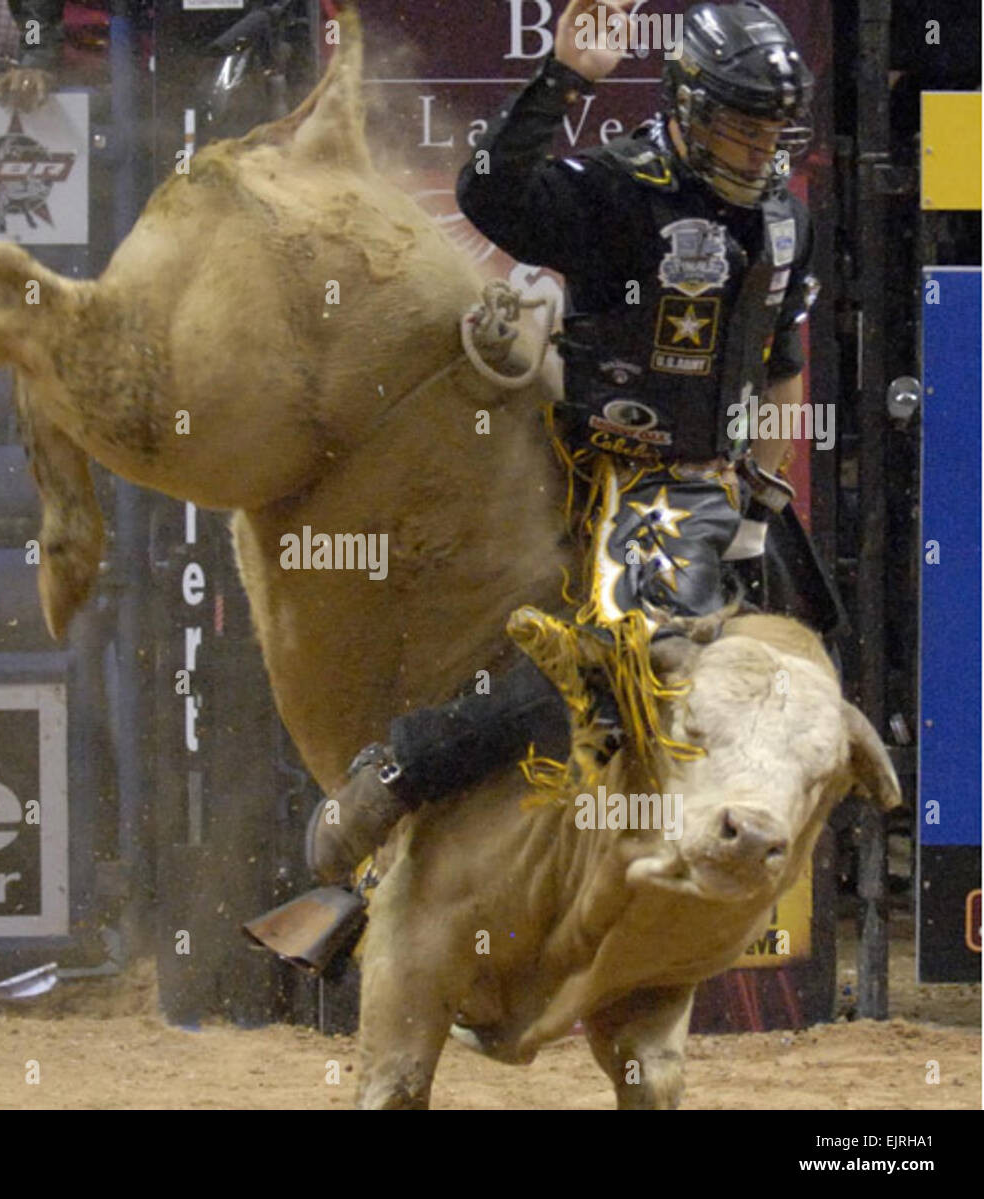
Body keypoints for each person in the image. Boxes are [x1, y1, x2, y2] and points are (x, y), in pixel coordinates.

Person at [306, 0, 821, 884]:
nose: (759, 152)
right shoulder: (615, 189)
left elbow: (780, 367)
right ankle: (398, 800)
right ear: (689, 111)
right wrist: (565, 78)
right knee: (603, 658)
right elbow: (488, 192)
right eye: (741, 130)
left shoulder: (783, 221)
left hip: (696, 492)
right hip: (572, 458)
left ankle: (416, 779)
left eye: (773, 133)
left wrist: (758, 504)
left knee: (746, 657)